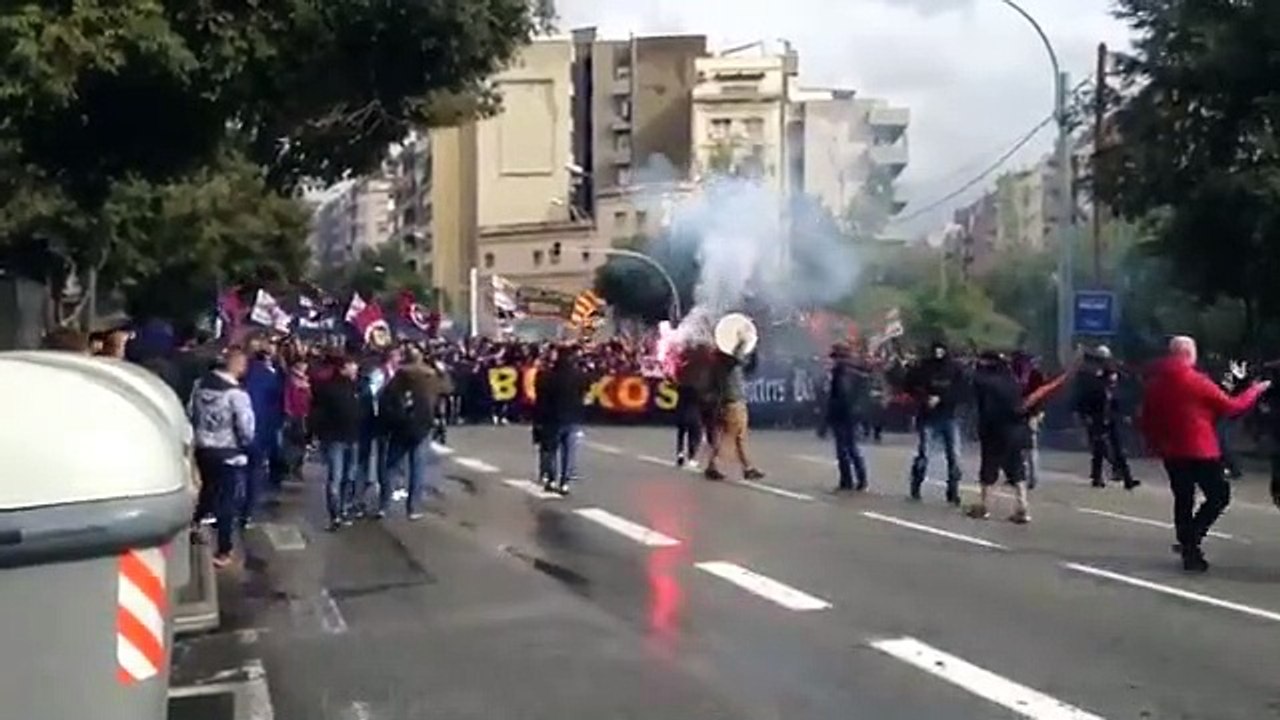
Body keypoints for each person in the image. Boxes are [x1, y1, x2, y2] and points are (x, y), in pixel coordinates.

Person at [1139, 335, 1269, 573]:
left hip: (1171, 450)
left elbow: (1146, 418)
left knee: (1183, 498)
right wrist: (1255, 390)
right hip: (1200, 449)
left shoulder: (1155, 383)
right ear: (1190, 354)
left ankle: (1188, 546)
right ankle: (1193, 538)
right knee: (1219, 495)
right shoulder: (1196, 381)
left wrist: (1154, 443)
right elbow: (1232, 406)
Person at [967, 350, 1076, 524]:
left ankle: (984, 506)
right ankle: (1022, 507)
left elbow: (974, 388)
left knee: (989, 467)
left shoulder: (985, 381)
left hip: (995, 430)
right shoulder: (1012, 381)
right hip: (1017, 430)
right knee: (1016, 468)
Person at [188, 347, 255, 569]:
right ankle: (224, 549)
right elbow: (246, 427)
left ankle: (194, 524)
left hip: (203, 448)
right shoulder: (237, 394)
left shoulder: (199, 385)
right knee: (227, 501)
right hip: (228, 451)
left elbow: (191, 412)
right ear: (236, 365)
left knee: (208, 489)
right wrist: (246, 445)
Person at [379, 346, 451, 519]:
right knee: (417, 468)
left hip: (400, 425)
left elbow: (387, 397)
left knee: (391, 466)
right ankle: (413, 508)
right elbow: (447, 389)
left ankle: (384, 505)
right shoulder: (430, 376)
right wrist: (442, 372)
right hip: (423, 425)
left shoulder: (400, 375)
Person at [907, 341, 966, 504]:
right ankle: (916, 485)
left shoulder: (955, 369)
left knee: (954, 456)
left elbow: (961, 391)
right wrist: (925, 398)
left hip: (950, 416)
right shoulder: (923, 367)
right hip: (928, 417)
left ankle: (953, 490)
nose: (938, 353)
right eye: (936, 350)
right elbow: (909, 385)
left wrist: (942, 398)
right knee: (924, 454)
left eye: (941, 350)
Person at [310, 356, 365, 530]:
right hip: (336, 438)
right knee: (337, 477)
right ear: (343, 368)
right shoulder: (329, 388)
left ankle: (343, 509)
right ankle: (336, 514)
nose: (356, 369)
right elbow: (317, 413)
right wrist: (318, 433)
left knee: (348, 476)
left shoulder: (356, 387)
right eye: (352, 366)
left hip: (352, 437)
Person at [1074, 345, 1138, 490]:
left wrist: (1124, 412)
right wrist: (1084, 415)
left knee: (1117, 447)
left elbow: (1117, 396)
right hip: (1096, 415)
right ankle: (1098, 477)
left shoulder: (1111, 375)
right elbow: (1084, 397)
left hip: (1111, 415)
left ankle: (1126, 477)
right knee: (1099, 447)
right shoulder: (1089, 376)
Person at [704, 337, 764, 482]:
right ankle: (714, 465)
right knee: (729, 437)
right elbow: (739, 359)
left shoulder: (720, 362)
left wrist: (753, 350)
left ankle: (747, 467)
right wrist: (744, 343)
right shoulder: (727, 362)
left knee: (736, 437)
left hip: (730, 402)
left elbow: (749, 367)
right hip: (733, 402)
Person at [533, 345, 590, 494]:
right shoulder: (579, 376)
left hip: (552, 418)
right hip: (573, 418)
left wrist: (538, 420)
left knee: (551, 450)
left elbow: (541, 400)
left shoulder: (547, 376)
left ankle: (551, 479)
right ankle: (565, 482)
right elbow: (586, 392)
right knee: (569, 452)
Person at [822, 342, 870, 492]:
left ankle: (848, 481)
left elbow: (840, 397)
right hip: (851, 414)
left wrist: (829, 417)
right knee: (851, 448)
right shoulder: (853, 372)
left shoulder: (841, 373)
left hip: (843, 414)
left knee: (844, 449)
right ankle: (859, 480)